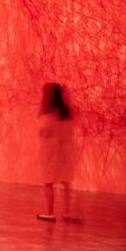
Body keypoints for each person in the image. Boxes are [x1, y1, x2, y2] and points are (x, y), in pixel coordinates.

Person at [36, 82, 80, 221]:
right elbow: (71, 130)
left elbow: (44, 131)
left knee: (48, 182)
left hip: (51, 150)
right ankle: (67, 212)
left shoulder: (48, 111)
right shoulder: (67, 111)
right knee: (66, 181)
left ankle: (50, 213)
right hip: (66, 150)